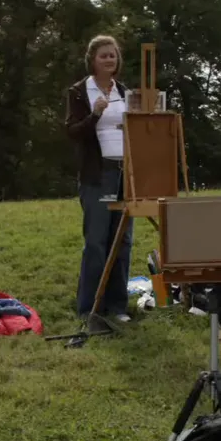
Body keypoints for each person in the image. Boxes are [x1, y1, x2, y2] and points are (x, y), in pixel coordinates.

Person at [65, 34, 133, 322]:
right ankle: (89, 308)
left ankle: (117, 307)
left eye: (113, 55)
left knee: (123, 240)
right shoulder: (80, 92)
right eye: (104, 55)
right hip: (99, 174)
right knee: (97, 240)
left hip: (126, 175)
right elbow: (72, 132)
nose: (110, 59)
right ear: (93, 60)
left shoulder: (125, 91)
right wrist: (94, 114)